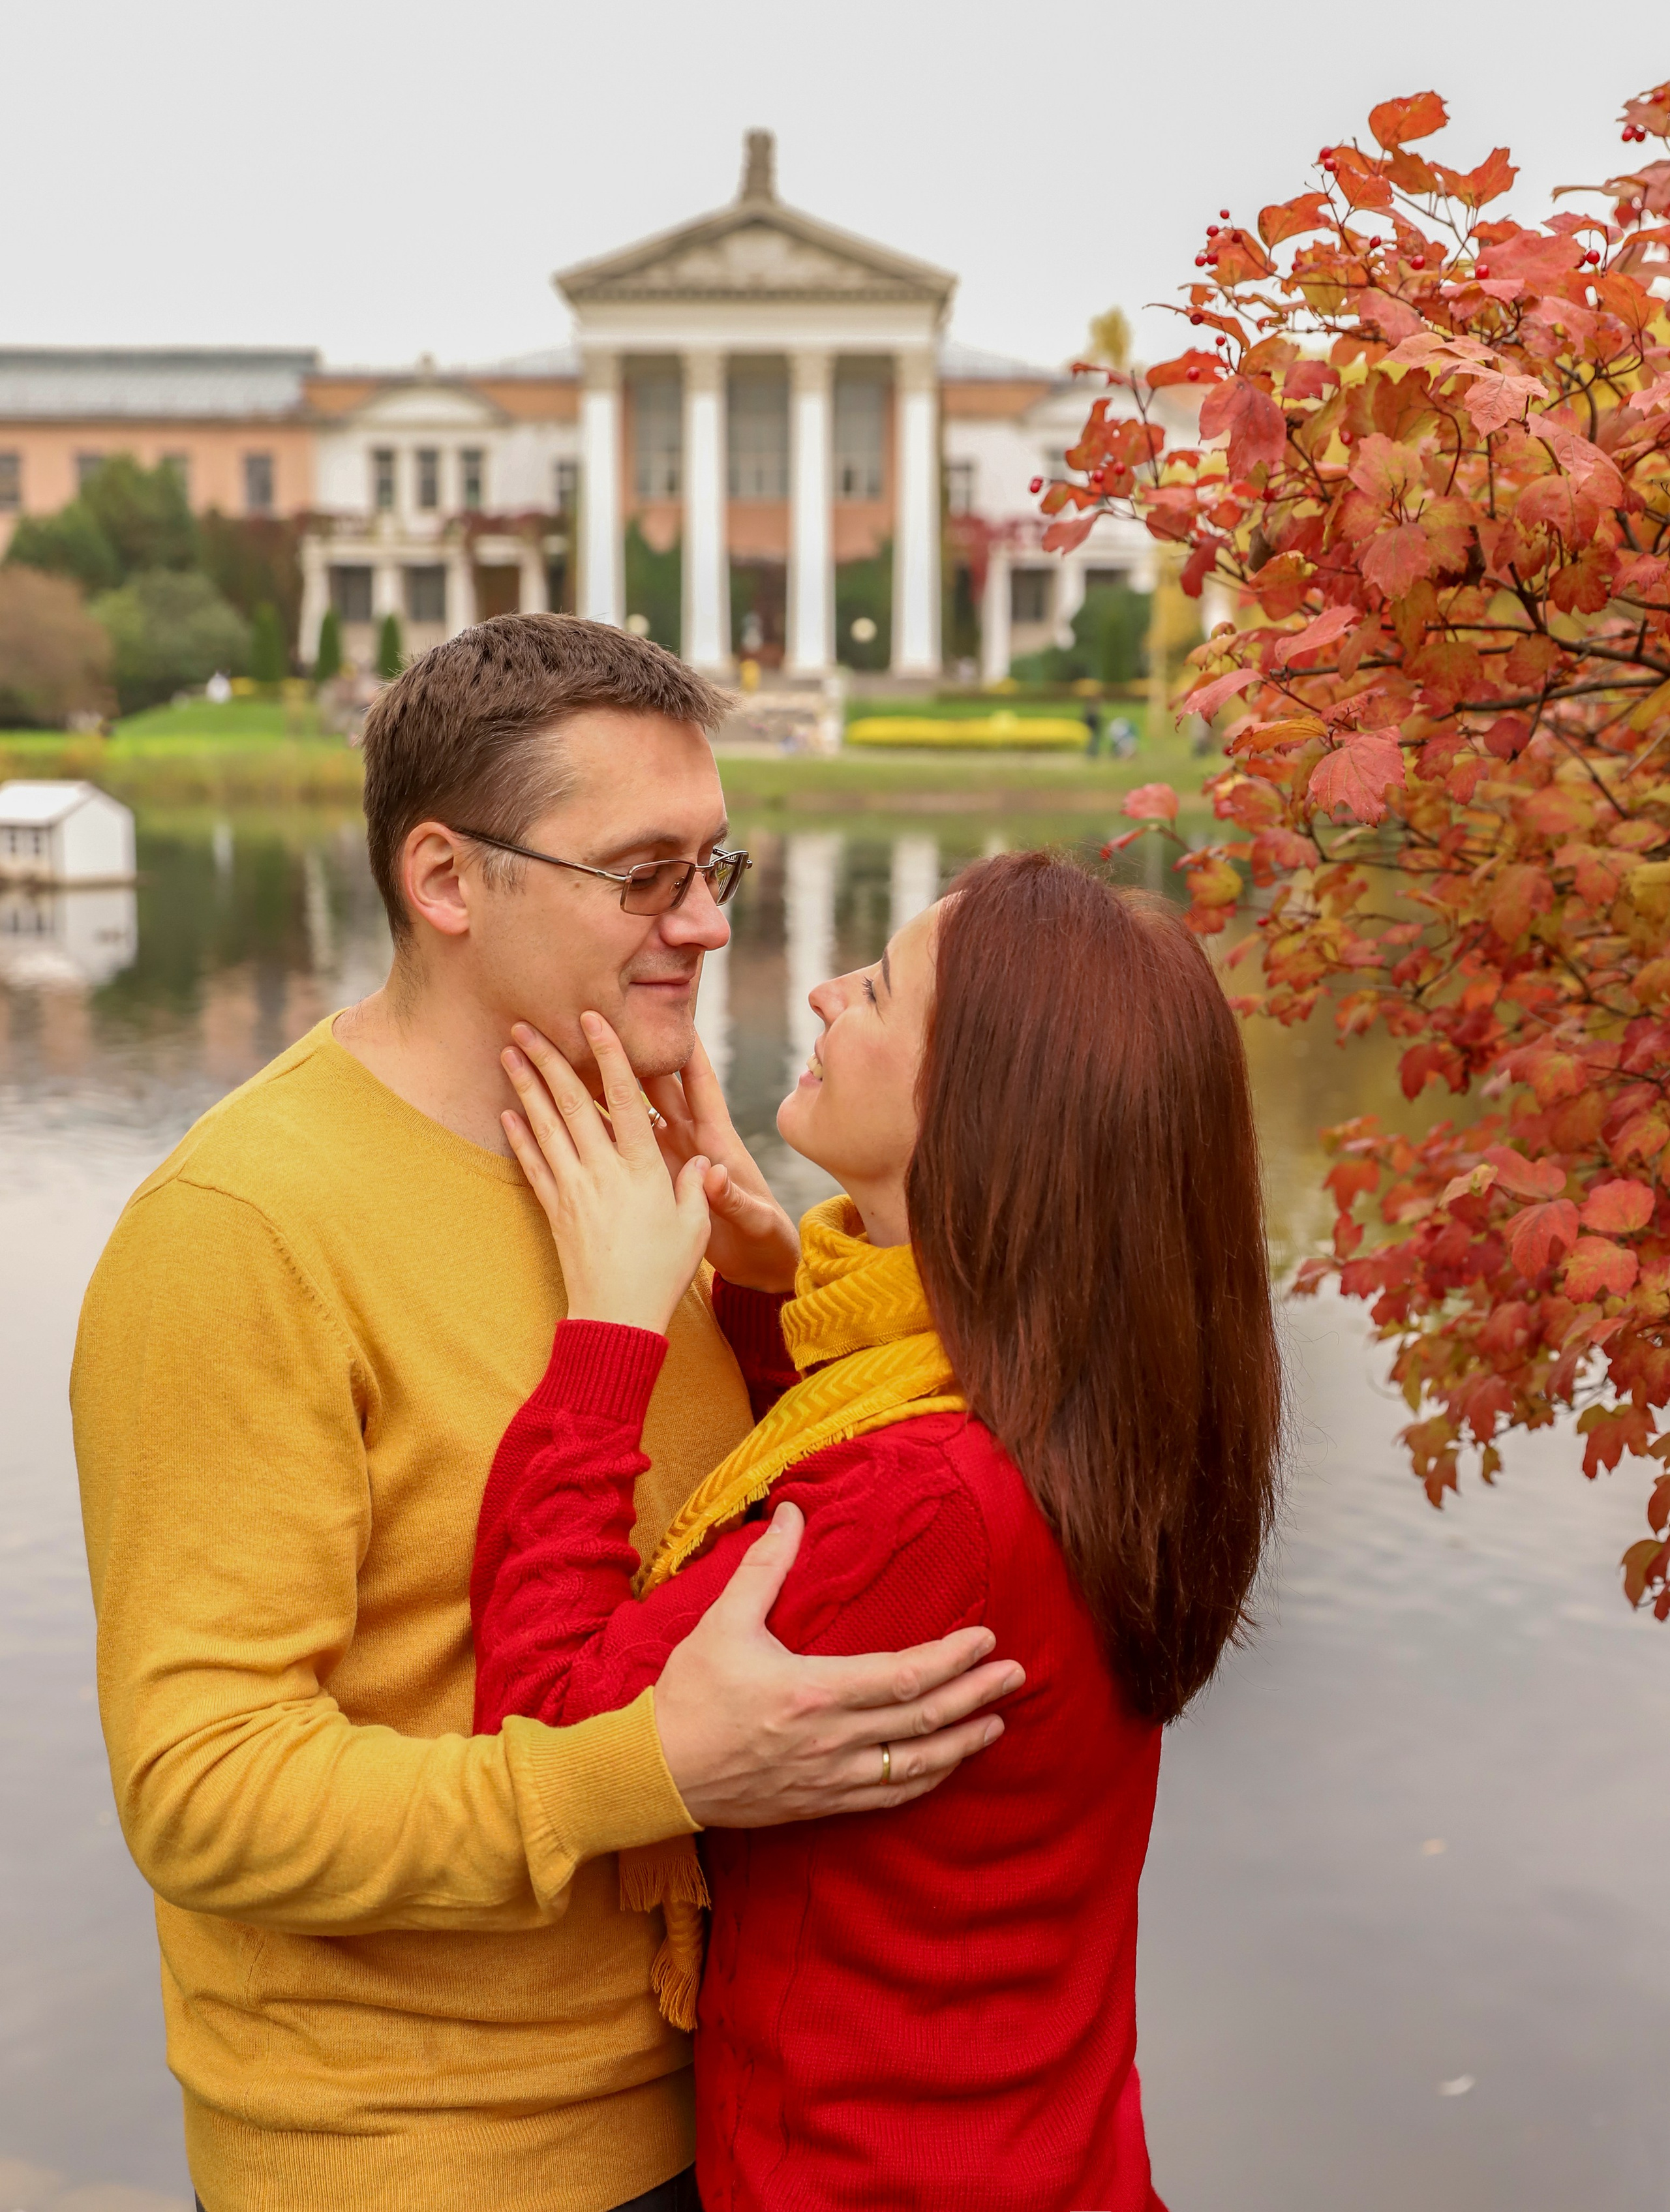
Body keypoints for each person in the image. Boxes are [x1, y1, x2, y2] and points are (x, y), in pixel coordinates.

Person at [70, 616, 1018, 2212]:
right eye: (643, 875)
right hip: (418, 2159)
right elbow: (204, 1791)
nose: (705, 929)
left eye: (717, 867)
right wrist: (647, 1768)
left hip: (717, 2103)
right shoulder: (243, 1227)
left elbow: (729, 1559)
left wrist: (758, 1303)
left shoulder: (631, 1150)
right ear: (445, 882)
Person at [470, 849, 1284, 2211]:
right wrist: (757, 1293)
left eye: (877, 986)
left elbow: (552, 1723)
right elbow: (850, 1533)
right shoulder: (1086, 1405)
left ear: (974, 1101)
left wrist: (608, 1333)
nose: (821, 995)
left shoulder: (924, 1497)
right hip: (1050, 2156)